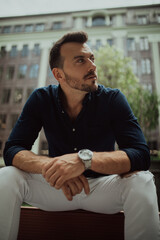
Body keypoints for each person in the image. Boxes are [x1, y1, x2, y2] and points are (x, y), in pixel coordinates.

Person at [0, 31, 159, 240]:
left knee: (143, 180)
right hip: (57, 188)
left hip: (103, 189)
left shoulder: (113, 99)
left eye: (92, 58)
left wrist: (83, 161)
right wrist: (58, 168)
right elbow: (12, 150)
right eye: (80, 60)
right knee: (7, 175)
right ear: (59, 75)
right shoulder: (40, 99)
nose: (92, 66)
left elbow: (140, 154)